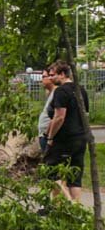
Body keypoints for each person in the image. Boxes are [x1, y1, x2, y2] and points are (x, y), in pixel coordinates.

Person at [43, 60, 91, 202]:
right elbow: (85, 114)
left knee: (52, 173)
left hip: (64, 139)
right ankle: (76, 210)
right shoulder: (80, 89)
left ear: (62, 74)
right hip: (80, 138)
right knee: (74, 176)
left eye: (53, 75)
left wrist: (50, 138)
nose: (51, 78)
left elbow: (59, 117)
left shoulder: (61, 91)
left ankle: (68, 202)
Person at [38, 69, 58, 152]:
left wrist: (48, 135)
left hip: (48, 135)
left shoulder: (56, 93)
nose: (41, 80)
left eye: (43, 77)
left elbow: (56, 116)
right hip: (44, 134)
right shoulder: (51, 93)